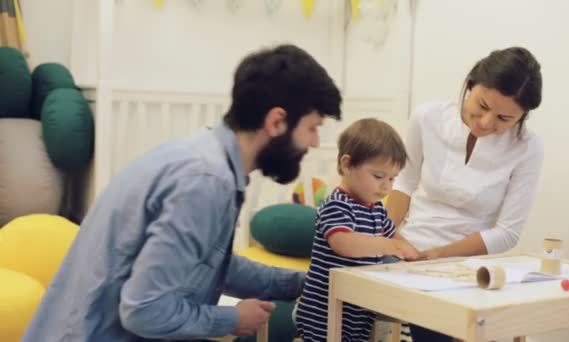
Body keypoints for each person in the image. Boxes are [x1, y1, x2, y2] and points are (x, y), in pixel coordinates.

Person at [23, 44, 342, 342]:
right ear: (277, 122)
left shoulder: (206, 159)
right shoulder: (205, 182)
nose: (314, 143)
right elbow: (143, 311)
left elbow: (209, 262)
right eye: (312, 128)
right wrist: (232, 319)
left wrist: (301, 282)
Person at [386, 46, 543, 341]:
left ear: (522, 117)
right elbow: (403, 183)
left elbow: (507, 232)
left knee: (444, 320)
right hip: (407, 249)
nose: (486, 122)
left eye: (504, 118)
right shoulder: (427, 117)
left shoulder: (527, 148)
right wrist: (389, 237)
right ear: (471, 84)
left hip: (466, 266)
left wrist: (440, 255)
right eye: (482, 105)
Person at [295, 118, 420, 342]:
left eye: (392, 179)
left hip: (358, 310)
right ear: (347, 165)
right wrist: (390, 246)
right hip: (324, 312)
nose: (387, 186)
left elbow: (394, 235)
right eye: (379, 176)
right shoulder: (337, 204)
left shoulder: (376, 209)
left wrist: (414, 255)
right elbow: (344, 243)